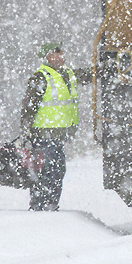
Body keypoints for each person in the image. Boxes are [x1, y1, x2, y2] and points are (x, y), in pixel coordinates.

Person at [19, 42, 88, 211]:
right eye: (57, 53)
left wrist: (110, 67)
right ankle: (41, 207)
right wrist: (26, 134)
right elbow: (29, 107)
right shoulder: (41, 77)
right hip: (43, 136)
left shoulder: (67, 74)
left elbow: (89, 75)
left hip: (56, 137)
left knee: (56, 172)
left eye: (62, 52)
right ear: (48, 57)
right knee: (48, 173)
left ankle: (49, 206)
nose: (62, 55)